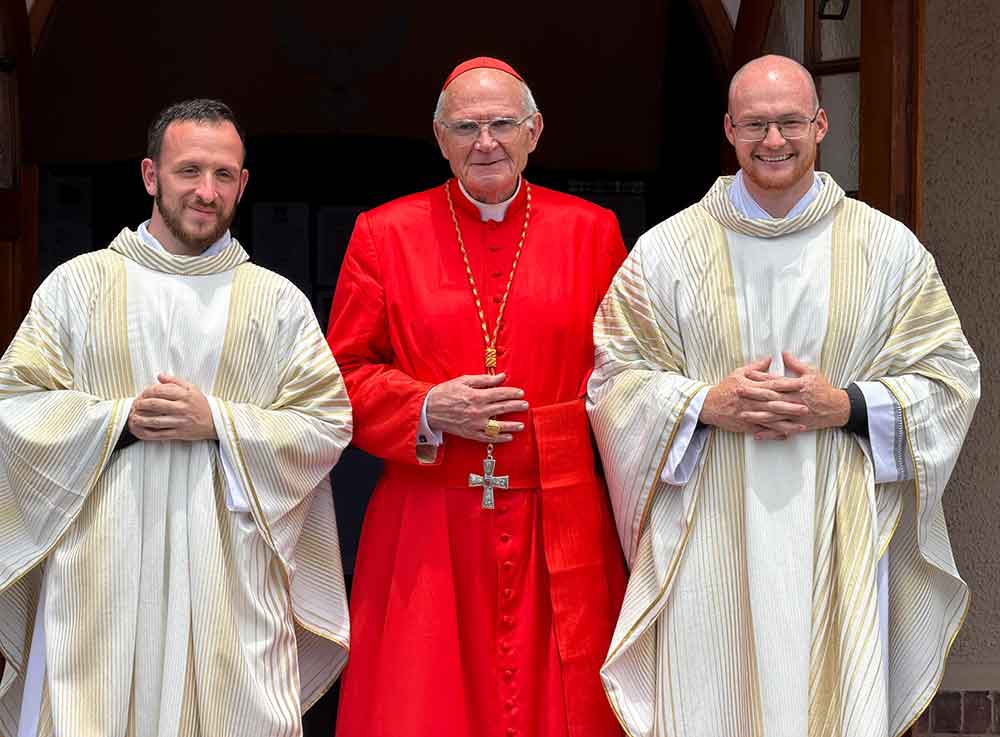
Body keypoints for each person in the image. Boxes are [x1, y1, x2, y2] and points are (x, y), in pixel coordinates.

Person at [588, 55, 980, 737]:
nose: (774, 141)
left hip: (840, 522)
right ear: (729, 130)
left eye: (791, 122)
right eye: (756, 125)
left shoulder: (888, 250)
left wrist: (847, 405)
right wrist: (703, 403)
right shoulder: (666, 252)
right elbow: (613, 379)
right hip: (710, 523)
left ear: (821, 124)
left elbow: (949, 378)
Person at [0, 99, 352, 737]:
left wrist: (217, 420)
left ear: (243, 184)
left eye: (224, 175)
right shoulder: (77, 287)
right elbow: (14, 403)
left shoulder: (276, 302)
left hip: (230, 575)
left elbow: (326, 422)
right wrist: (120, 419)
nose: (206, 192)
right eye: (189, 171)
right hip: (99, 565)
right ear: (149, 175)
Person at [326, 57, 627, 737]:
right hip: (427, 523)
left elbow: (631, 374)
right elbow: (339, 378)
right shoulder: (384, 232)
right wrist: (430, 406)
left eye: (501, 124)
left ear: (534, 131)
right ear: (439, 137)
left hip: (557, 514)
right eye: (465, 126)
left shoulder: (592, 231)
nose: (484, 142)